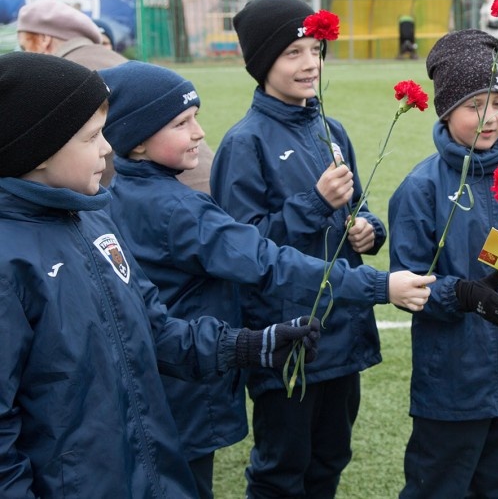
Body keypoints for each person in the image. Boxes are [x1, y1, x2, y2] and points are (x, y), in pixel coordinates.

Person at [100, 60, 433, 498]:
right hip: (187, 389)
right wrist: (378, 287)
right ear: (136, 142)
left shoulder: (115, 197)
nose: (199, 132)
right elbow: (268, 261)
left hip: (162, 382)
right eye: (182, 123)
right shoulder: (179, 209)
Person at [0, 51, 321, 497]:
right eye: (92, 136)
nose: (108, 147)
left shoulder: (94, 217)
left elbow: (152, 331)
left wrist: (248, 345)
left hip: (155, 472)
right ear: (39, 149)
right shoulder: (9, 261)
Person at [213, 0, 395, 498]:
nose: (309, 63)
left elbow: (355, 207)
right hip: (287, 335)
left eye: (315, 49)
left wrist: (368, 229)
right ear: (261, 62)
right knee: (281, 467)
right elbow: (241, 247)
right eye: (292, 53)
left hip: (342, 328)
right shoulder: (244, 143)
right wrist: (313, 205)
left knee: (331, 456)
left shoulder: (328, 127)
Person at [388, 29, 498, 498]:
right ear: (446, 109)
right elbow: (407, 286)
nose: (490, 117)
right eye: (475, 106)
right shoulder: (420, 189)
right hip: (452, 386)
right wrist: (463, 295)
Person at [16, 0, 216, 193]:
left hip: (168, 202)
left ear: (43, 40)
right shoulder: (113, 59)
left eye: (25, 47)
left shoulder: (64, 77)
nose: (25, 55)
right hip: (200, 190)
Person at [16, 0, 127, 70]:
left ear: (44, 39)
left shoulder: (58, 75)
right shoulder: (121, 63)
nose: (26, 53)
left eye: (25, 47)